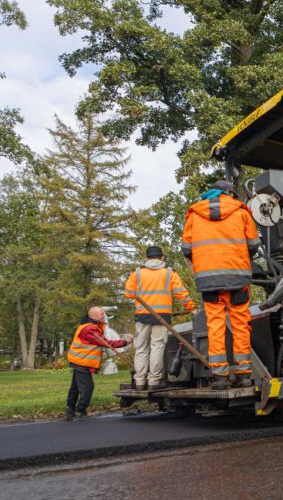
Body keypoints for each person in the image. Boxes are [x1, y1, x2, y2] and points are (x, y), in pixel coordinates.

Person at [182, 180, 261, 390]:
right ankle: (244, 374)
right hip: (238, 278)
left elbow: (186, 248)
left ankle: (220, 377)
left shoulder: (194, 215)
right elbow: (254, 244)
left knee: (215, 326)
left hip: (209, 281)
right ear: (230, 194)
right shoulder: (242, 212)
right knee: (240, 324)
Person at [123, 246, 196, 390]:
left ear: (146, 258)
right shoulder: (169, 273)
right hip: (161, 317)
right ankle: (153, 382)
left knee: (141, 348)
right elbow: (181, 293)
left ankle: (139, 381)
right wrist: (191, 308)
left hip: (142, 316)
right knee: (157, 347)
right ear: (162, 258)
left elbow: (128, 294)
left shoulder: (137, 273)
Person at [66, 306, 131, 421]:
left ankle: (70, 410)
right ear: (94, 316)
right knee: (88, 387)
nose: (104, 316)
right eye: (101, 314)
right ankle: (80, 411)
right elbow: (106, 343)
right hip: (82, 361)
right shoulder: (90, 328)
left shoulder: (88, 326)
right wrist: (125, 342)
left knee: (75, 387)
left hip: (78, 360)